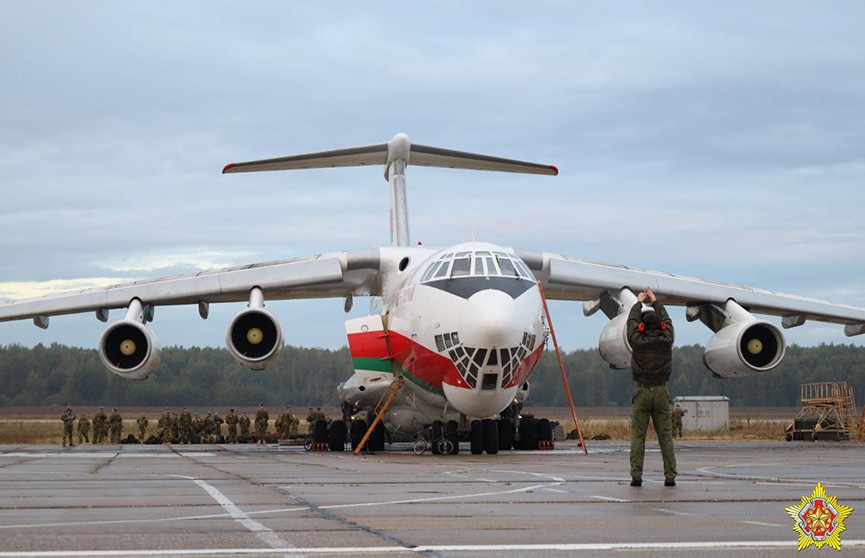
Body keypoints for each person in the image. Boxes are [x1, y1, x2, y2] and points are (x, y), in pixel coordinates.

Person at [627, 288, 677, 487]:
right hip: (661, 391)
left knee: (638, 436)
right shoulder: (667, 341)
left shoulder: (637, 341)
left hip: (642, 391)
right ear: (662, 326)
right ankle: (670, 476)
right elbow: (669, 323)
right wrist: (655, 301)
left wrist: (638, 303)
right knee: (665, 436)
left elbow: (631, 323)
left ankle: (636, 476)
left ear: (641, 328)